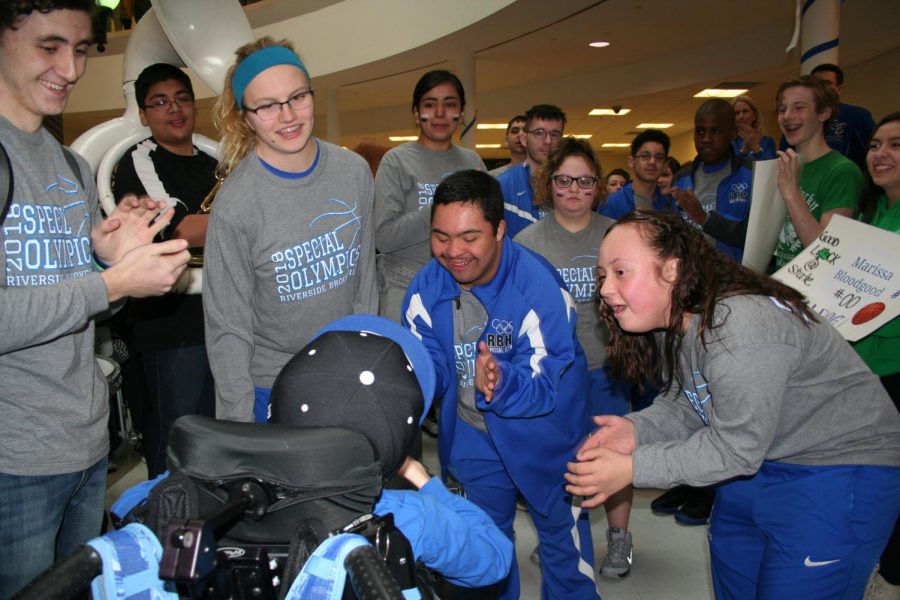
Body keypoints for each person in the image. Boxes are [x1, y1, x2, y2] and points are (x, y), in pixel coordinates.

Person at [565, 209, 900, 599]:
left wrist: (631, 468)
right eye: (602, 276)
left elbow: (737, 447)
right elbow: (691, 400)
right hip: (762, 459)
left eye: (621, 272)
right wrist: (637, 430)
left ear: (672, 270)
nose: (604, 289)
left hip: (841, 468)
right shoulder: (676, 321)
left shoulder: (738, 324)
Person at [0, 1, 190, 596]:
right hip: (13, 458)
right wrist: (109, 281)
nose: (71, 68)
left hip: (85, 444)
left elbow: (89, 306)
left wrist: (111, 257)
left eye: (81, 50)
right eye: (49, 46)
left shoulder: (70, 168)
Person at [402, 170, 598, 599]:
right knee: (487, 556)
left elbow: (546, 384)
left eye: (470, 237)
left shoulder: (538, 287)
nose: (453, 252)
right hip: (474, 436)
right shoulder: (425, 289)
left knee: (566, 558)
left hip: (548, 439)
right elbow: (426, 365)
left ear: (500, 230)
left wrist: (502, 383)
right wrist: (404, 395)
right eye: (441, 237)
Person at [270, 314, 514, 592]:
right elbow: (495, 555)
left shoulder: (239, 495)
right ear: (396, 447)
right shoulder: (411, 516)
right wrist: (425, 482)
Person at [203, 37, 377, 423]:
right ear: (244, 116)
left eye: (297, 97)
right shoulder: (236, 205)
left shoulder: (354, 173)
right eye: (266, 106)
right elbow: (227, 327)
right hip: (272, 384)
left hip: (346, 372)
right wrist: (236, 423)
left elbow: (365, 283)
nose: (287, 116)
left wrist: (366, 362)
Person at [515, 137, 635, 580]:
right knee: (562, 458)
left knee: (613, 454)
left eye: (585, 181)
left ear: (598, 186)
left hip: (608, 366)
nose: (573, 189)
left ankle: (619, 538)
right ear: (549, 184)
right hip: (556, 373)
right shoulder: (528, 241)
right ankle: (562, 536)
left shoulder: (617, 233)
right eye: (564, 180)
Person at [112, 62, 217, 478]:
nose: (174, 110)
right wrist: (248, 218)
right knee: (175, 434)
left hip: (222, 315)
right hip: (172, 324)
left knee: (214, 432)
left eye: (182, 99)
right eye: (160, 103)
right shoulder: (139, 160)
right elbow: (183, 229)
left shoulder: (214, 159)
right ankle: (161, 525)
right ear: (143, 115)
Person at [373, 69, 484, 323]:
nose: (440, 114)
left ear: (461, 113)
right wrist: (442, 206)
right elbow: (384, 237)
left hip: (460, 291)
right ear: (416, 113)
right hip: (404, 289)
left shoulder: (472, 161)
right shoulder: (397, 161)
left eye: (450, 104)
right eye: (430, 105)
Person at [855, 112, 900, 599]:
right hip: (868, 367)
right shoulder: (876, 213)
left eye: (895, 145)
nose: (880, 154)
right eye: (874, 144)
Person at [773, 75, 864, 269]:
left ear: (823, 113)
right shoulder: (785, 166)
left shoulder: (842, 172)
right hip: (781, 285)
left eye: (799, 108)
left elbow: (826, 253)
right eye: (782, 109)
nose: (787, 116)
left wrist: (791, 194)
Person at [671, 98, 753, 262]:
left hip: (738, 279)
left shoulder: (752, 174)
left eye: (715, 131)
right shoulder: (682, 178)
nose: (706, 139)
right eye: (700, 132)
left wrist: (705, 219)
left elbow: (757, 238)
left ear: (732, 133)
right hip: (694, 279)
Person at [497, 104, 566, 237]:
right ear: (524, 139)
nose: (547, 141)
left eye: (555, 134)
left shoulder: (572, 186)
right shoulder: (503, 186)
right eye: (539, 133)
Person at [810, 63, 877, 172]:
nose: (821, 88)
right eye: (816, 84)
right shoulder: (800, 118)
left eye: (828, 83)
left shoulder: (857, 116)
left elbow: (876, 150)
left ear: (839, 89)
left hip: (847, 182)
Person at [599, 129, 673, 220]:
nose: (652, 162)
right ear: (631, 162)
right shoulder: (613, 203)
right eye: (645, 156)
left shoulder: (668, 205)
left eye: (659, 157)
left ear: (665, 165)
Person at [731, 95, 776, 160]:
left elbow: (769, 168)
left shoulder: (768, 141)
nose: (741, 116)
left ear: (754, 115)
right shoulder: (729, 143)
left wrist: (756, 148)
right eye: (737, 113)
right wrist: (743, 152)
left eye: (745, 111)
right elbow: (730, 168)